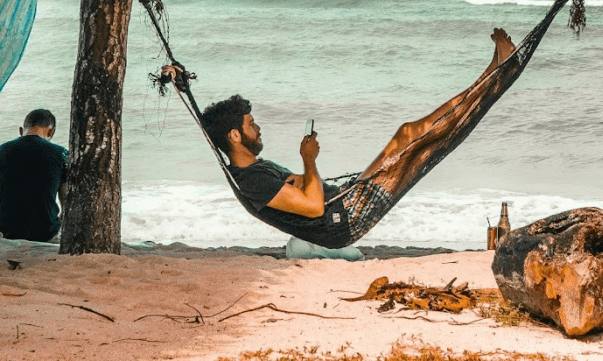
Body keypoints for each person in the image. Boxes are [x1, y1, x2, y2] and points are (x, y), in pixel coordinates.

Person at [198, 26, 517, 248]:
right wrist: (309, 160)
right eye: (251, 124)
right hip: (344, 218)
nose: (258, 128)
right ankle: (497, 72)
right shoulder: (252, 181)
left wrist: (180, 81)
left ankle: (494, 70)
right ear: (234, 136)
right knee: (416, 138)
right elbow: (313, 207)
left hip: (346, 201)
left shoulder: (253, 171)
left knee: (412, 136)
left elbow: (300, 188)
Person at [0, 108, 68, 242]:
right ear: (51, 131)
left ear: (21, 131)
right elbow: (67, 201)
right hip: (44, 232)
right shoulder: (61, 153)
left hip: (6, 231)